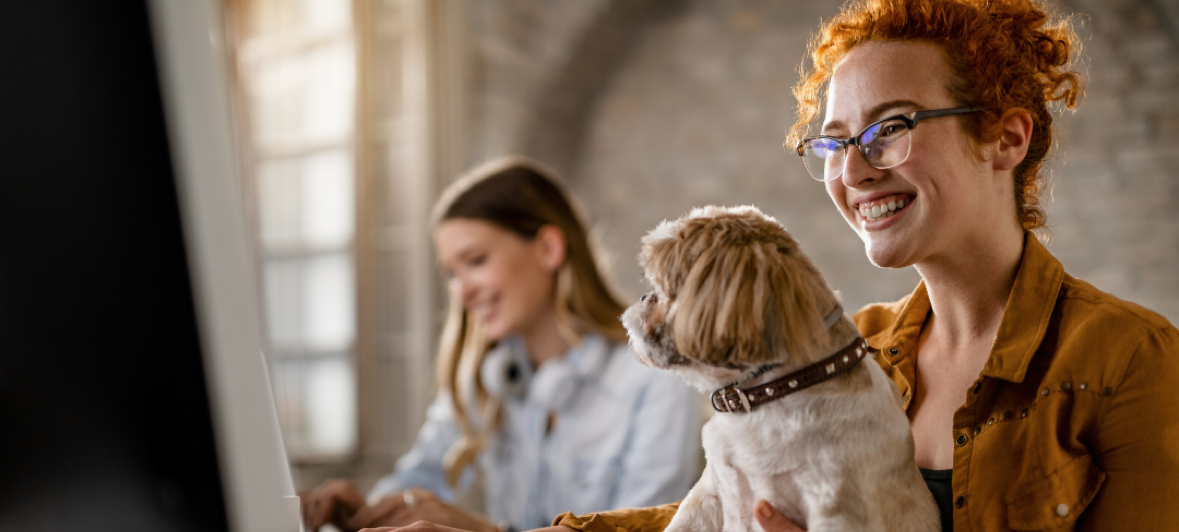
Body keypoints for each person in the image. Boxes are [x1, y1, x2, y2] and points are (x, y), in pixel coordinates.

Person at [359, 1, 1179, 531]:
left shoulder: (1126, 361)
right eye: (831, 141)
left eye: (889, 126)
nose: (852, 171)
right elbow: (706, 509)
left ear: (1007, 136)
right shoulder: (858, 350)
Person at [301, 157, 702, 532]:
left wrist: (480, 531)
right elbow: (415, 482)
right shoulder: (487, 375)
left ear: (548, 248)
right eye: (452, 274)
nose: (462, 292)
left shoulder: (657, 380)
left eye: (475, 261)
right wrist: (360, 511)